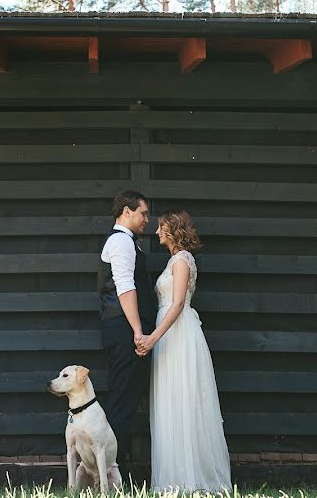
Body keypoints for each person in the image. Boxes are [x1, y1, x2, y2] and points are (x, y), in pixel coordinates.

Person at [134, 210, 231, 492]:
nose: (157, 232)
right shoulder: (174, 260)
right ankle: (174, 475)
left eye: (162, 227)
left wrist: (152, 338)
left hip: (177, 333)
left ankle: (191, 476)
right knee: (171, 398)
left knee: (184, 398)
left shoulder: (181, 260)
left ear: (174, 230)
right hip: (168, 334)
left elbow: (177, 305)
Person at [98, 190, 157, 478]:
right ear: (126, 211)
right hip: (124, 328)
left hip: (124, 327)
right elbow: (124, 286)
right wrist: (137, 330)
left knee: (128, 395)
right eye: (143, 213)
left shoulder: (127, 242)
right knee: (122, 398)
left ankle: (114, 468)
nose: (148, 219)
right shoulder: (121, 241)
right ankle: (111, 472)